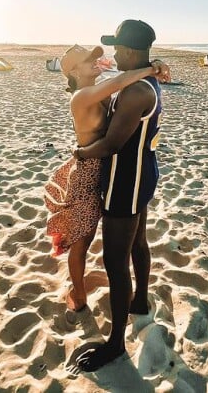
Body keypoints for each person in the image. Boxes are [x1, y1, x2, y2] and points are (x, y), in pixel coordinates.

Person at [44, 43, 169, 313]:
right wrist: (152, 68)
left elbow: (124, 73)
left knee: (129, 239)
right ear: (73, 72)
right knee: (82, 240)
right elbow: (124, 79)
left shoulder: (99, 91)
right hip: (88, 174)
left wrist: (155, 62)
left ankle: (128, 297)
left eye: (94, 58)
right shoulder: (81, 96)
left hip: (106, 170)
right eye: (88, 60)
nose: (94, 62)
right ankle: (78, 295)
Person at [74, 20, 163, 371]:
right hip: (143, 174)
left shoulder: (135, 92)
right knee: (138, 243)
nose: (113, 54)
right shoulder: (146, 82)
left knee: (115, 261)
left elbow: (111, 144)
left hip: (125, 181)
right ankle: (139, 301)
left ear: (129, 51)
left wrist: (79, 154)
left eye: (116, 48)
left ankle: (115, 344)